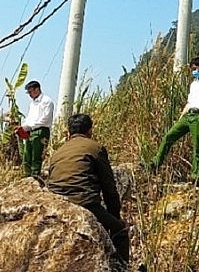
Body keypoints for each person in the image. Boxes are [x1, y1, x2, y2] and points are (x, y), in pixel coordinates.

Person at [47, 114, 129, 264]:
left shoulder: (57, 153)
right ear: (90, 131)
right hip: (85, 204)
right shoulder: (96, 148)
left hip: (56, 206)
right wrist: (115, 217)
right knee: (120, 231)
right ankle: (121, 267)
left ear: (68, 132)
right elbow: (109, 188)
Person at [150, 57, 199, 185]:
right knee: (169, 136)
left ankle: (197, 175)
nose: (193, 71)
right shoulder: (193, 84)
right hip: (188, 115)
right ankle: (156, 162)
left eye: (194, 69)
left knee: (198, 146)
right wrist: (181, 118)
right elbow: (189, 102)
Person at [19, 80, 54, 177]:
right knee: (27, 155)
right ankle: (27, 176)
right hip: (30, 131)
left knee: (36, 156)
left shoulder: (46, 101)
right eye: (28, 92)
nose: (30, 94)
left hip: (41, 130)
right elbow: (29, 117)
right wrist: (23, 127)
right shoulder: (32, 104)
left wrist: (31, 126)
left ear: (37, 89)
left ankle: (35, 176)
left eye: (31, 92)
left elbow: (45, 119)